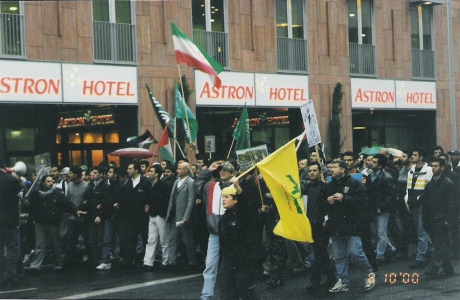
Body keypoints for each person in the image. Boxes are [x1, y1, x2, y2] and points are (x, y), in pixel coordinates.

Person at [325, 160, 375, 292]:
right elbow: (322, 203)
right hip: (336, 225)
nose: (331, 169)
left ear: (342, 169)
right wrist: (327, 201)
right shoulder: (329, 185)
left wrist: (345, 198)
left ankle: (369, 275)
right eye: (330, 167)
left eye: (335, 167)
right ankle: (342, 281)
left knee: (356, 253)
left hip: (352, 225)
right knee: (339, 255)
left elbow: (363, 202)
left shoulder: (354, 183)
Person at [194, 161, 239, 300]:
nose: (222, 172)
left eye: (226, 170)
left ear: (233, 173)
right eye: (220, 169)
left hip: (231, 233)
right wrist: (208, 170)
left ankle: (236, 294)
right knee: (210, 265)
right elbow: (197, 184)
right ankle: (206, 295)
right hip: (214, 232)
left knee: (233, 265)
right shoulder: (211, 186)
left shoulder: (236, 186)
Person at [25, 176, 85, 275]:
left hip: (53, 223)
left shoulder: (57, 194)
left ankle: (58, 264)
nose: (51, 183)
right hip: (40, 223)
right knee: (40, 245)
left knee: (55, 244)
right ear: (43, 183)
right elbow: (31, 207)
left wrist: (76, 210)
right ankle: (35, 266)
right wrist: (27, 204)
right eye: (48, 181)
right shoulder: (36, 195)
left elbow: (67, 204)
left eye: (52, 181)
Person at [217, 186, 260, 300]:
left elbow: (246, 203)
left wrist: (238, 188)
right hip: (228, 260)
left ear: (236, 200)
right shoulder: (224, 217)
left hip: (244, 261)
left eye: (227, 197)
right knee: (226, 292)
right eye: (223, 197)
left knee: (247, 293)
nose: (223, 200)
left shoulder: (243, 213)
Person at [303, 162, 336, 291]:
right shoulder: (306, 187)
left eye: (314, 170)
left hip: (321, 223)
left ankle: (314, 281)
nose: (312, 173)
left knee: (319, 252)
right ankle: (331, 277)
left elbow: (330, 206)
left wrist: (326, 218)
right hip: (310, 222)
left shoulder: (325, 187)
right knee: (320, 252)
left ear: (320, 172)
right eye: (310, 170)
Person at [422, 158, 455, 278]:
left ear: (442, 168)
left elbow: (452, 204)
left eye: (436, 166)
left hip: (442, 218)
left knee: (440, 244)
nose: (433, 168)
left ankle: (433, 267)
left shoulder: (447, 183)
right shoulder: (431, 183)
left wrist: (448, 220)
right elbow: (426, 202)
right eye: (432, 166)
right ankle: (448, 268)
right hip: (432, 218)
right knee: (440, 244)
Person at [118, 163, 152, 268]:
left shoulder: (146, 182)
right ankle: (129, 260)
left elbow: (149, 197)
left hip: (142, 215)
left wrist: (148, 206)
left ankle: (143, 259)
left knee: (145, 237)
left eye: (130, 168)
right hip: (130, 216)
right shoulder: (127, 183)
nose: (128, 170)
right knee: (130, 238)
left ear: (136, 170)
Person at [365, 154, 397, 266]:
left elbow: (390, 195)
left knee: (381, 232)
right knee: (376, 232)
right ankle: (391, 249)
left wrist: (382, 207)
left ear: (380, 165)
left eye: (374, 162)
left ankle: (379, 255)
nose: (371, 163)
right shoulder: (370, 175)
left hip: (381, 209)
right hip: (373, 207)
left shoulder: (387, 177)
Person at [405, 148, 434, 269]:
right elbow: (408, 188)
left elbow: (430, 187)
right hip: (413, 204)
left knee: (421, 231)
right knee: (420, 231)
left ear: (421, 157)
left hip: (423, 204)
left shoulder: (428, 170)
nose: (412, 156)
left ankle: (420, 258)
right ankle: (432, 251)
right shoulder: (411, 170)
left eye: (415, 155)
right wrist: (406, 201)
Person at [165, 162, 197, 267]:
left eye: (180, 169)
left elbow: (191, 201)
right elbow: (171, 199)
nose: (177, 171)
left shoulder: (191, 182)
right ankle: (171, 262)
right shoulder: (176, 182)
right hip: (174, 215)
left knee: (188, 240)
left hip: (184, 216)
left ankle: (192, 261)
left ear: (186, 170)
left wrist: (186, 217)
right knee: (172, 238)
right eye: (178, 169)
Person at [143, 164, 171, 270]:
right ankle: (148, 262)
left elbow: (165, 201)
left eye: (151, 171)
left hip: (160, 215)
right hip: (152, 214)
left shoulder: (163, 186)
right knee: (151, 239)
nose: (149, 173)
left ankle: (165, 261)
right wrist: (148, 205)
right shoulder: (150, 185)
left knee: (164, 239)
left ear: (157, 174)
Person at [0, 158, 23, 287]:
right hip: (10, 220)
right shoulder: (11, 180)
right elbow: (20, 191)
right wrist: (16, 179)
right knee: (13, 248)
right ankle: (10, 274)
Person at [82, 166, 110, 268]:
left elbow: (104, 202)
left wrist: (100, 215)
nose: (93, 175)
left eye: (95, 173)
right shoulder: (91, 185)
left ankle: (101, 258)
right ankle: (95, 258)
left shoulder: (105, 186)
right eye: (92, 173)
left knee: (100, 238)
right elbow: (86, 198)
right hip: (90, 214)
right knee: (92, 238)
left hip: (98, 215)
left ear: (101, 174)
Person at [63, 166, 89, 268]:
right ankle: (70, 262)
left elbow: (87, 201)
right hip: (72, 218)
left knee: (87, 239)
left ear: (76, 174)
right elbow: (67, 200)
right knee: (71, 239)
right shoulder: (69, 185)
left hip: (83, 218)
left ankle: (90, 259)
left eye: (71, 173)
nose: (69, 175)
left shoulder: (86, 186)